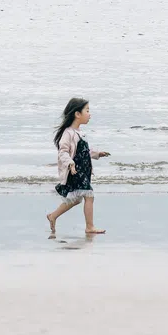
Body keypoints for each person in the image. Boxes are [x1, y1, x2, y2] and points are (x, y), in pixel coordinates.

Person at [46, 98, 110, 235]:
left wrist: (98, 153)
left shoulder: (81, 133)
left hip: (84, 172)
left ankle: (53, 216)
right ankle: (89, 226)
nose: (89, 114)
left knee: (76, 199)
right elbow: (63, 152)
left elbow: (84, 152)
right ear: (77, 114)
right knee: (89, 195)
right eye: (87, 110)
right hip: (75, 171)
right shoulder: (68, 133)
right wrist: (70, 163)